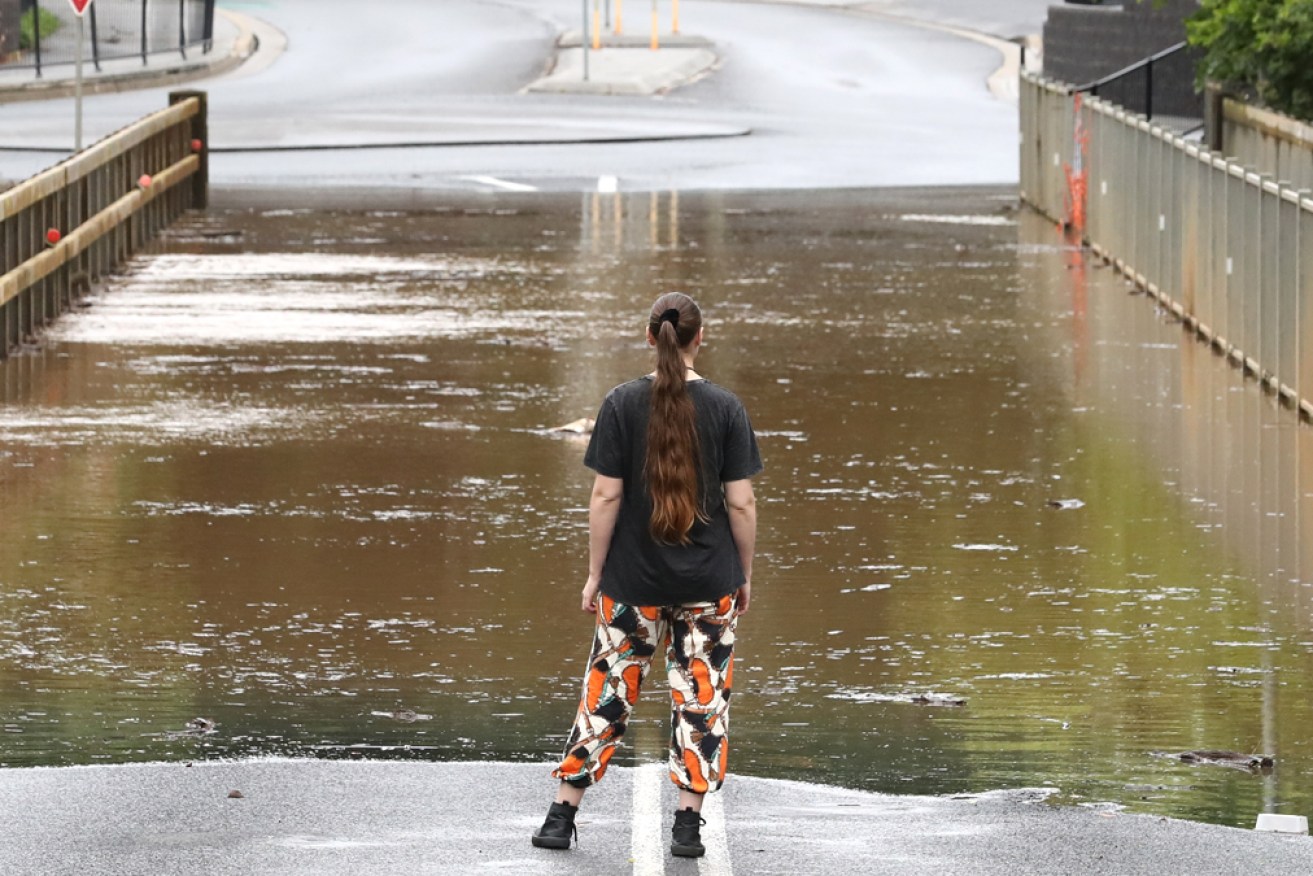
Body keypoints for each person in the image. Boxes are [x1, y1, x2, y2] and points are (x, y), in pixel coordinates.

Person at [531, 292, 762, 858]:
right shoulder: (727, 408)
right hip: (711, 585)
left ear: (649, 336)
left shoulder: (620, 404)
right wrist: (744, 575)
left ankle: (562, 815)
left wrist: (594, 574)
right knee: (701, 701)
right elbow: (742, 505)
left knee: (606, 693)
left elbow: (606, 495)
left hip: (632, 585)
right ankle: (687, 826)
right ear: (699, 338)